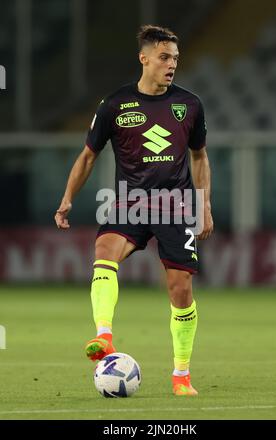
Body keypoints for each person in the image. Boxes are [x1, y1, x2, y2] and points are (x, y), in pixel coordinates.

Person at [54, 24, 213, 396]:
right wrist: (67, 198)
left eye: (175, 58)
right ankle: (104, 338)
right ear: (144, 59)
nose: (171, 64)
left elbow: (200, 156)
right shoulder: (114, 104)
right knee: (104, 251)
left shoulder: (189, 104)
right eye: (163, 57)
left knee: (180, 289)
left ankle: (181, 375)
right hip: (130, 202)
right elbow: (88, 156)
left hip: (175, 205)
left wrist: (204, 207)